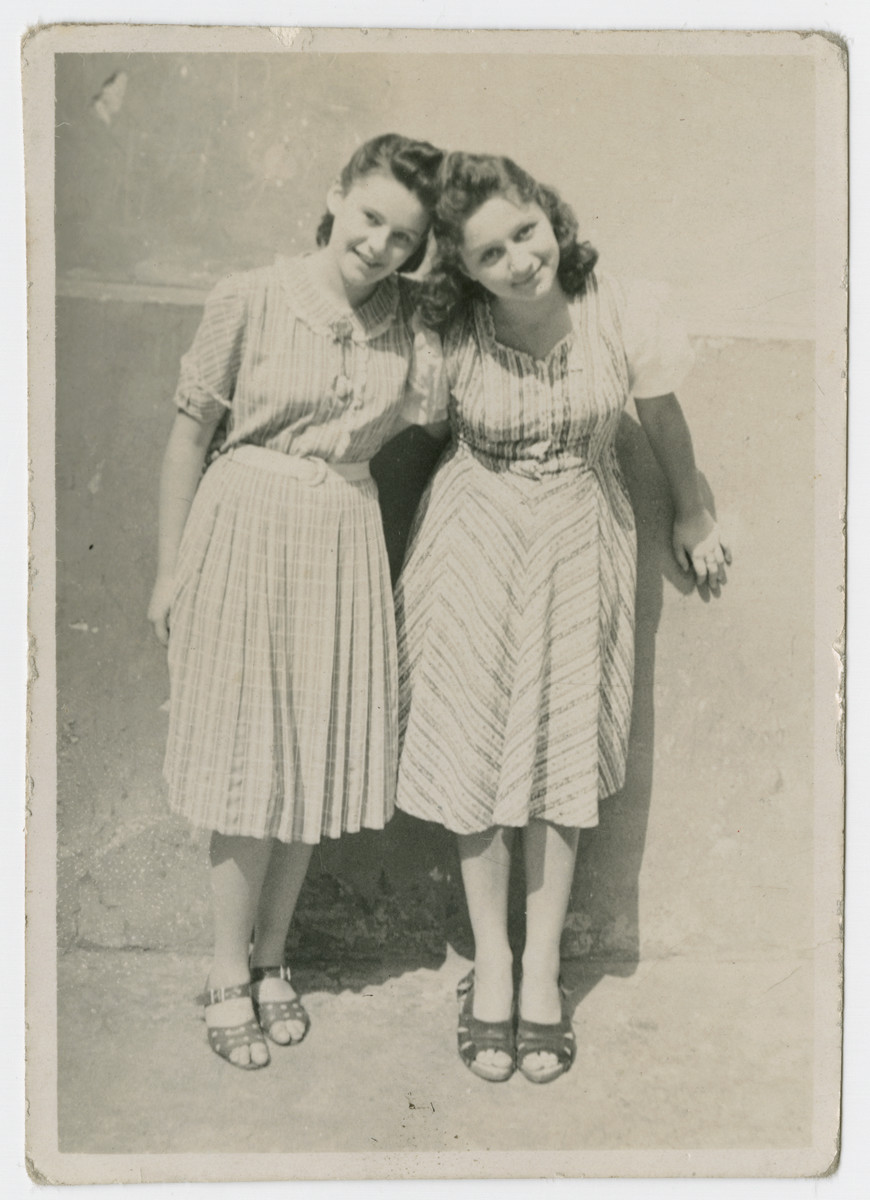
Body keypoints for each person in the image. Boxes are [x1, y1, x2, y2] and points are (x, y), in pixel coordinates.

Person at [394, 152, 730, 1085]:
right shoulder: (453, 332)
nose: (519, 259)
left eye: (526, 231)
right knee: (475, 753)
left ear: (552, 217)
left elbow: (661, 422)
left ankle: (542, 967)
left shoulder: (620, 306)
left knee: (560, 752)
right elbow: (418, 438)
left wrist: (695, 512)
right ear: (464, 267)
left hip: (582, 537)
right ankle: (490, 969)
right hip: (472, 541)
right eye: (491, 251)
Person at [147, 133, 445, 1070]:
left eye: (405, 237)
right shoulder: (253, 296)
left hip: (344, 537)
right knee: (248, 764)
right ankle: (226, 970)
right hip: (247, 528)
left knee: (310, 761)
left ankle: (275, 959)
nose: (381, 246)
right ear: (336, 196)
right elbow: (189, 437)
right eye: (370, 218)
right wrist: (171, 571)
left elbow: (437, 405)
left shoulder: (409, 326)